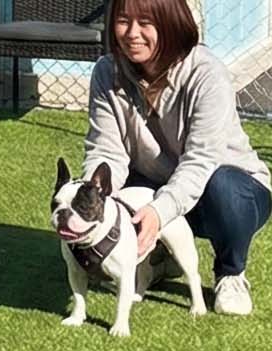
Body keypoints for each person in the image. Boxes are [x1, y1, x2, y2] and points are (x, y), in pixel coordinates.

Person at [84, 0, 270, 315]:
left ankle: (230, 273)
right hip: (155, 180)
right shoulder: (107, 71)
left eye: (145, 22)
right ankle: (157, 260)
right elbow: (106, 150)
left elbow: (200, 162)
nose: (132, 34)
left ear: (170, 23)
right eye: (123, 21)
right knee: (117, 185)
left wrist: (158, 212)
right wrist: (95, 199)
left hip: (230, 186)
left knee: (224, 189)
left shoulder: (206, 72)